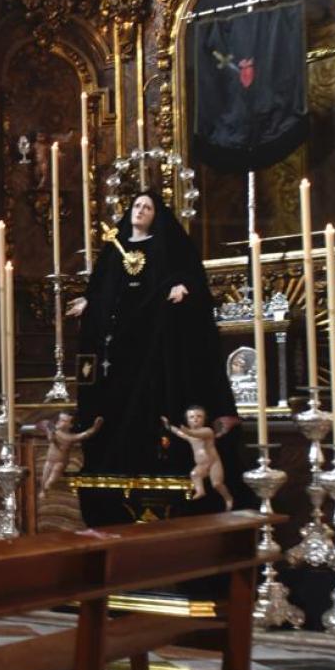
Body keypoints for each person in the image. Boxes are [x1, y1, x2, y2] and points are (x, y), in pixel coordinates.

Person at [66, 191, 241, 526]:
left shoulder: (168, 247)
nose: (140, 211)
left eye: (147, 207)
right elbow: (102, 287)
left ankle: (161, 457)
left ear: (155, 216)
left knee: (153, 394)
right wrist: (89, 303)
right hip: (119, 347)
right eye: (136, 206)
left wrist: (181, 287)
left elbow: (186, 275)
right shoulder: (114, 249)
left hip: (155, 343)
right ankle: (114, 458)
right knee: (116, 398)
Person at [163, 407, 234, 510]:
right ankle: (200, 491)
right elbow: (179, 433)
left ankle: (228, 498)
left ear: (204, 419)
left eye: (199, 416)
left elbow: (194, 434)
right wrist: (169, 426)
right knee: (194, 474)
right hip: (202, 465)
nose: (195, 419)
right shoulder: (189, 434)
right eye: (191, 417)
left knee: (217, 484)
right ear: (187, 420)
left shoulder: (207, 431)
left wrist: (186, 430)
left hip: (214, 462)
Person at [37, 413, 103, 498]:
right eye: (59, 419)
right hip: (49, 460)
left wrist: (95, 427)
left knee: (54, 474)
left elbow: (85, 434)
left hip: (60, 462)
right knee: (44, 476)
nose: (60, 422)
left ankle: (48, 485)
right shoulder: (54, 431)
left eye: (64, 421)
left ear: (70, 425)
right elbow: (50, 437)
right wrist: (49, 429)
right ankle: (44, 491)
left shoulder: (70, 437)